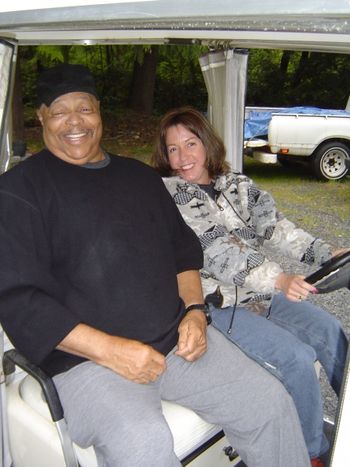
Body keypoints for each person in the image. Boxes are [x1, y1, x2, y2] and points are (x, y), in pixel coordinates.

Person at [0, 64, 310, 467]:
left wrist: (196, 314)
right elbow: (20, 301)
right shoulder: (18, 191)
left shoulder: (140, 177)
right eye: (59, 112)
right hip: (87, 363)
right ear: (41, 116)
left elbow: (184, 255)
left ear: (99, 113)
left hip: (177, 342)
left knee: (269, 402)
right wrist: (113, 351)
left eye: (85, 108)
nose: (74, 121)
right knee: (143, 443)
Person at [152, 106, 349, 467]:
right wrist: (280, 279)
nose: (182, 157)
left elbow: (278, 228)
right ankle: (309, 454)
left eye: (190, 144)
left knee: (331, 331)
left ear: (207, 144)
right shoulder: (171, 196)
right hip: (216, 305)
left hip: (260, 294)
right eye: (173, 149)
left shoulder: (237, 186)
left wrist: (326, 252)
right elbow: (217, 252)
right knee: (295, 357)